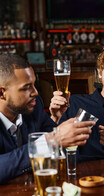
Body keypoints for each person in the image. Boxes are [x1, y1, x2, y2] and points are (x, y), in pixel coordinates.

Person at [0, 53, 95, 184]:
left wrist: (57, 121)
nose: (35, 92)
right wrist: (52, 141)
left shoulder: (34, 105)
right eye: (26, 87)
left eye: (34, 84)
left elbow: (63, 151)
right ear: (2, 93)